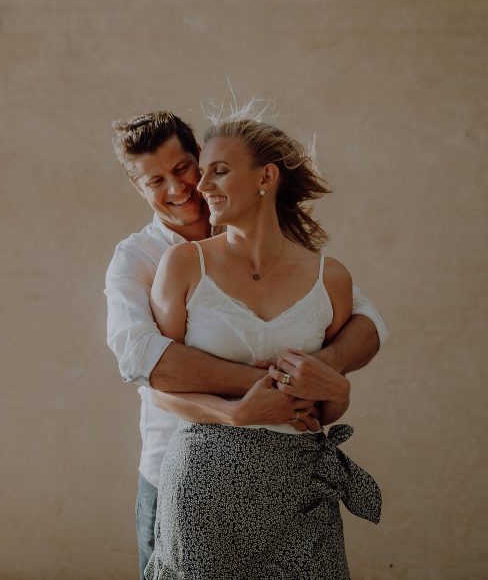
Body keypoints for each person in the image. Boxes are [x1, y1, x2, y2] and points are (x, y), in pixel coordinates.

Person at [104, 111, 387, 578]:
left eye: (183, 169)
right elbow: (145, 361)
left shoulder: (265, 232)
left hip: (293, 479)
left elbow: (366, 319)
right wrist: (259, 393)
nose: (178, 189)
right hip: (177, 470)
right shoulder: (142, 259)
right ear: (139, 190)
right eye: (156, 181)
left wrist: (324, 376)